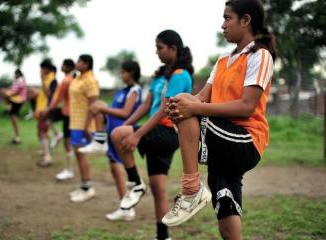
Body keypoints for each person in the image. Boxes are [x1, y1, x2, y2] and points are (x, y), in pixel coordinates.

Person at [162, 1, 276, 239]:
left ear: (246, 21)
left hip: (244, 139)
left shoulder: (260, 55)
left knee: (187, 104)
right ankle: (200, 194)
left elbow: (246, 107)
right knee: (226, 207)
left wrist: (189, 107)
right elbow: (201, 98)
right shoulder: (224, 60)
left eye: (227, 18)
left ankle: (191, 189)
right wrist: (179, 106)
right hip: (221, 140)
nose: (222, 25)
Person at [111, 30, 194, 240]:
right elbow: (147, 105)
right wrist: (128, 124)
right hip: (155, 130)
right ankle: (163, 236)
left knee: (118, 134)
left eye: (160, 47)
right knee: (158, 188)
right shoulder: (160, 75)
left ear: (173, 48)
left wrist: (136, 135)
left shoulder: (179, 75)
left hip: (168, 132)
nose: (156, 52)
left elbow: (164, 110)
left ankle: (135, 183)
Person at [78, 60, 143, 221]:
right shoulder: (122, 90)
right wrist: (103, 109)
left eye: (123, 72)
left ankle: (126, 208)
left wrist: (103, 108)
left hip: (121, 134)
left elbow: (125, 113)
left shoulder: (135, 90)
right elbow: (112, 112)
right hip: (112, 131)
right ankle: (99, 139)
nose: (121, 75)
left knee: (119, 170)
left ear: (131, 73)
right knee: (115, 170)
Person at [68, 54, 99, 202]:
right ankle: (83, 185)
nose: (77, 62)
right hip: (75, 122)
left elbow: (94, 105)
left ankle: (88, 188)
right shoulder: (78, 78)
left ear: (86, 64)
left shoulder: (90, 80)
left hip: (83, 124)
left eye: (80, 61)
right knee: (77, 154)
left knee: (82, 154)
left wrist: (87, 126)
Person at [42, 59, 76, 180]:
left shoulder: (67, 80)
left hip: (68, 113)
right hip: (68, 111)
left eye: (62, 65)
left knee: (68, 142)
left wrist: (49, 109)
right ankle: (57, 134)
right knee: (47, 121)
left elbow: (58, 97)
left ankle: (70, 170)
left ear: (67, 67)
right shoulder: (73, 79)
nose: (61, 66)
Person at [34, 59, 58, 167]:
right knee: (41, 131)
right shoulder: (48, 79)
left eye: (42, 69)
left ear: (46, 69)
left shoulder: (52, 80)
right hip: (41, 109)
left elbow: (49, 95)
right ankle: (46, 152)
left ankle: (47, 157)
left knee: (42, 131)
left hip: (46, 109)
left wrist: (42, 81)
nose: (41, 71)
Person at [0, 69, 27, 144]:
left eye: (15, 74)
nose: (14, 75)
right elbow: (14, 90)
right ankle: (17, 137)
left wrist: (8, 93)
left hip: (18, 100)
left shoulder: (20, 80)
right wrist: (8, 93)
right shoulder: (18, 81)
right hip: (16, 99)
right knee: (13, 117)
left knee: (13, 117)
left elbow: (15, 91)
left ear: (17, 74)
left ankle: (18, 138)